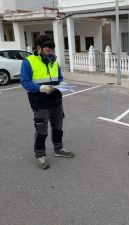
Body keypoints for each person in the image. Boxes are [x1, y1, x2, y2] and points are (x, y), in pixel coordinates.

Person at [21, 34, 74, 169]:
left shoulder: (54, 60)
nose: (51, 53)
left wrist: (62, 83)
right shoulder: (28, 61)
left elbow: (59, 77)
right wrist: (40, 88)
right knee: (41, 130)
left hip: (56, 100)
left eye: (52, 51)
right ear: (39, 48)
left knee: (58, 127)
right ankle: (40, 155)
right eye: (48, 50)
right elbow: (25, 83)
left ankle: (58, 149)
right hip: (40, 103)